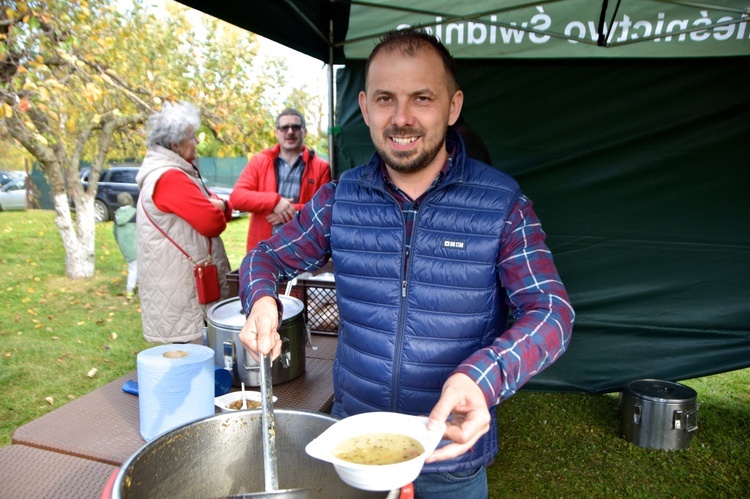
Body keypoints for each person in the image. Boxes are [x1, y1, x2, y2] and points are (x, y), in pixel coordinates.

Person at [237, 29, 574, 499]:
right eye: (385, 99)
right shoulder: (340, 198)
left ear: (453, 107)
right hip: (352, 452)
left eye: (421, 98)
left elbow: (552, 311)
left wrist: (484, 375)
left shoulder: (502, 203)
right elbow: (266, 256)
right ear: (365, 106)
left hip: (450, 455)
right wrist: (262, 301)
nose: (401, 118)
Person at [136, 101, 233, 344]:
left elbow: (219, 207)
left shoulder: (176, 172)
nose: (197, 142)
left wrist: (221, 206)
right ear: (175, 144)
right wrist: (219, 207)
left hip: (181, 288)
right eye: (192, 137)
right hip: (183, 296)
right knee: (192, 360)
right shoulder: (170, 177)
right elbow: (212, 222)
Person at [229, 108, 331, 252]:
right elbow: (237, 198)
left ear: (305, 131)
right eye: (284, 128)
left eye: (295, 127)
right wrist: (275, 202)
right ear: (276, 133)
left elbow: (324, 209)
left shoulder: (321, 167)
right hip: (263, 252)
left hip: (303, 252)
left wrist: (291, 211)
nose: (290, 132)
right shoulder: (259, 162)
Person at [113, 191, 138, 298]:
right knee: (135, 268)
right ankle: (130, 290)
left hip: (125, 246)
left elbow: (114, 232)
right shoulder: (136, 213)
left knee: (134, 266)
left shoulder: (116, 215)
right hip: (137, 245)